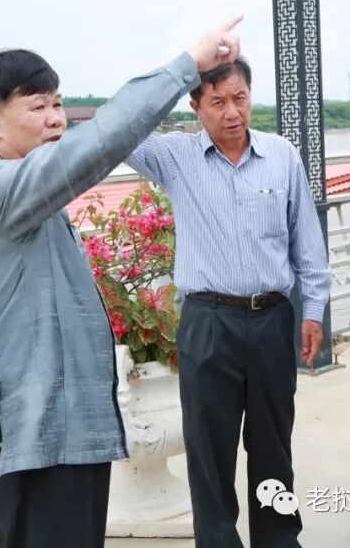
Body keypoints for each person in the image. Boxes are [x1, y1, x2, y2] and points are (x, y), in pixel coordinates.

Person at [0, 18, 241, 548]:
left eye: (58, 103)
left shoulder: (26, 192)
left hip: (66, 433)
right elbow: (98, 143)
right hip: (38, 438)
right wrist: (187, 67)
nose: (56, 118)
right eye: (38, 106)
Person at [125, 56, 331, 548]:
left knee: (273, 444)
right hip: (208, 322)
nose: (232, 112)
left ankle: (279, 539)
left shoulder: (281, 155)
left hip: (272, 318)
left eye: (240, 98)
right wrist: (184, 68)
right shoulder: (174, 156)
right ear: (195, 106)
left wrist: (313, 311)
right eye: (217, 102)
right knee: (208, 449)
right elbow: (125, 125)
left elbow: (306, 240)